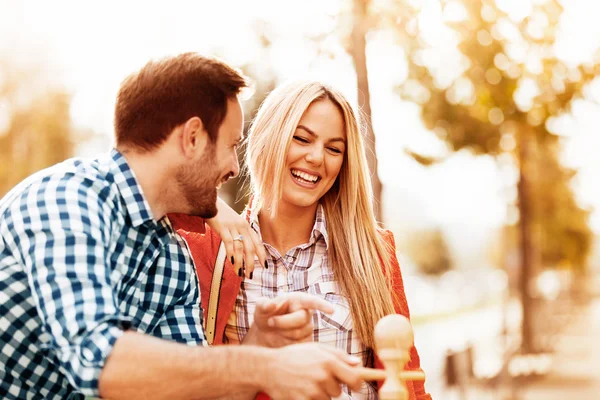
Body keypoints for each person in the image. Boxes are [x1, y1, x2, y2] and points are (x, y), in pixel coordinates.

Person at [0, 54, 367, 400]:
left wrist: (260, 344)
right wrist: (267, 365)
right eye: (231, 146)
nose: (235, 168)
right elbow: (99, 360)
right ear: (192, 138)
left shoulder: (172, 257)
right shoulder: (68, 200)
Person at [170, 81, 432, 399]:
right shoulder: (211, 249)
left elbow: (409, 383)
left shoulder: (372, 252)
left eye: (334, 148)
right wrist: (208, 205)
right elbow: (143, 177)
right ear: (268, 137)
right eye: (302, 138)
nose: (316, 157)